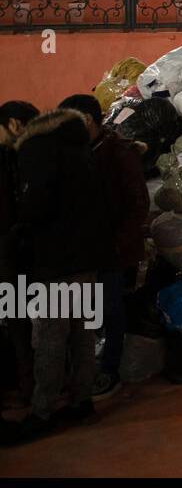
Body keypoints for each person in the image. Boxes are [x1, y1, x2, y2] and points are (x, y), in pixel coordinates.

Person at [1, 106, 114, 445]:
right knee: (82, 333)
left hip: (56, 259)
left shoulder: (37, 149)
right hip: (88, 256)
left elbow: (36, 205)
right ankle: (82, 402)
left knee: (51, 335)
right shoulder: (77, 144)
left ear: (16, 124)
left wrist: (20, 227)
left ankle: (42, 411)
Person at [58, 95, 150, 401]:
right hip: (87, 249)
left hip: (112, 251)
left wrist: (116, 244)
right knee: (90, 310)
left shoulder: (119, 154)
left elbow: (138, 205)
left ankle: (109, 368)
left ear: (86, 120)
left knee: (111, 308)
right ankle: (91, 363)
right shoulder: (79, 153)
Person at [0, 101, 39, 412]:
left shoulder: (15, 156)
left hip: (15, 253)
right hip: (8, 255)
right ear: (14, 124)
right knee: (17, 321)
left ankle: (26, 383)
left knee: (20, 320)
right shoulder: (11, 157)